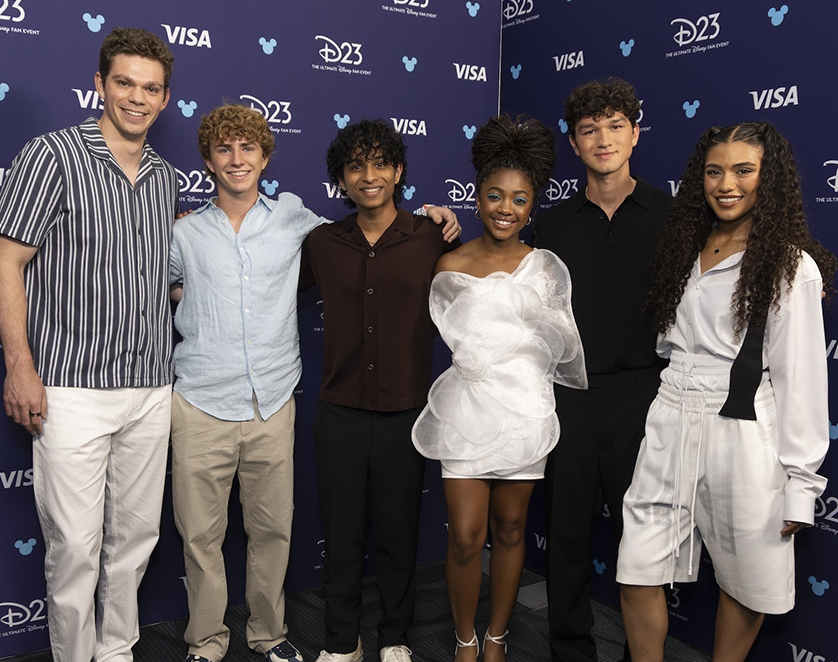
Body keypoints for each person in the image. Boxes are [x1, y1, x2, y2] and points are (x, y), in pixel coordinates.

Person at [169, 105, 458, 662]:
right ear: (207, 161)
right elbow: (173, 287)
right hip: (215, 398)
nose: (237, 160)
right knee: (206, 536)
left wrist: (446, 218)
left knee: (285, 532)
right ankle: (219, 642)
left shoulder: (314, 224)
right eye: (224, 149)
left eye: (248, 148)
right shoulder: (192, 232)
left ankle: (287, 635)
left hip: (295, 402)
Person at [0, 28, 177, 662]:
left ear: (165, 99)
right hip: (68, 385)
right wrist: (20, 366)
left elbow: (161, 280)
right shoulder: (52, 155)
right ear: (99, 84)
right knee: (73, 546)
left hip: (152, 388)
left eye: (150, 88)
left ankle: (117, 651)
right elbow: (5, 262)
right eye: (124, 82)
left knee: (136, 538)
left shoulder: (167, 180)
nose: (136, 97)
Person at [616, 122, 836, 662]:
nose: (726, 183)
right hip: (670, 414)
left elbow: (801, 380)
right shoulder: (684, 246)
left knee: (746, 576)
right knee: (637, 566)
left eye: (743, 170)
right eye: (714, 171)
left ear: (770, 179)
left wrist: (801, 483)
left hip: (741, 427)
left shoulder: (788, 265)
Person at [411, 115, 587, 662]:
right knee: (466, 535)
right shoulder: (449, 263)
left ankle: (497, 638)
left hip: (525, 414)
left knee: (511, 529)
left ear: (532, 205)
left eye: (518, 199)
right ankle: (465, 639)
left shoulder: (547, 268)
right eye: (493, 196)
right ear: (478, 197)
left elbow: (563, 344)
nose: (504, 209)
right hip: (467, 412)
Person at [302, 119, 458, 662]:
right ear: (341, 179)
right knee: (341, 535)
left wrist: (447, 217)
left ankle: (395, 636)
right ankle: (341, 641)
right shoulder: (322, 242)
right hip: (339, 411)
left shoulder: (432, 237)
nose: (368, 176)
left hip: (404, 412)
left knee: (398, 534)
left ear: (397, 171)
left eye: (379, 164)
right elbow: (259, 283)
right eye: (354, 166)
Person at [531, 78, 672, 662]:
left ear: (635, 134)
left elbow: (737, 253)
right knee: (565, 536)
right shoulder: (552, 225)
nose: (604, 139)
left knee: (643, 540)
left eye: (616, 126)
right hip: (572, 396)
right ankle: (571, 651)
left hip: (646, 394)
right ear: (573, 143)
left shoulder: (673, 214)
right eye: (590, 130)